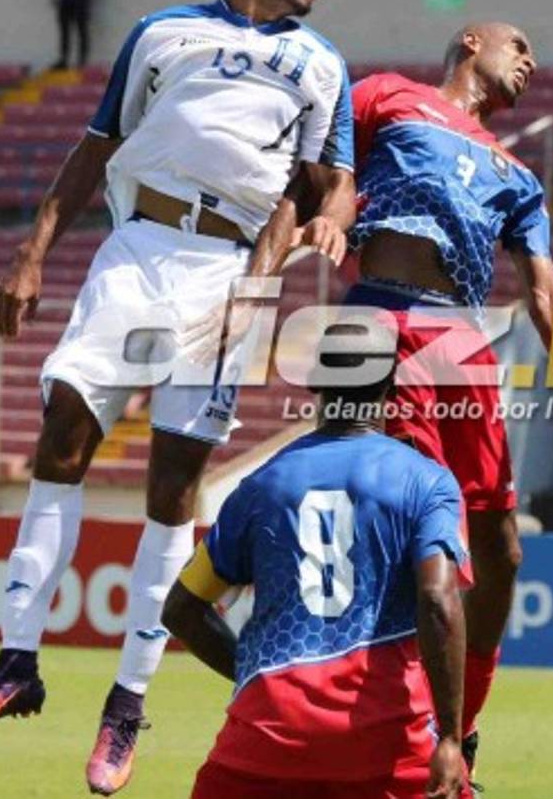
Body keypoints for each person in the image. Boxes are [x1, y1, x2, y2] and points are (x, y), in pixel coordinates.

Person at [0, 0, 355, 796]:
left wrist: (306, 244)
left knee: (171, 491)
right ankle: (16, 664)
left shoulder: (321, 66)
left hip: (226, 274)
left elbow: (329, 184)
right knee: (61, 436)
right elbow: (95, 149)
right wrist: (32, 252)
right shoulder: (160, 35)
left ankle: (126, 707)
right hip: (135, 253)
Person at [345, 23, 553, 783]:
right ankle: (399, 736)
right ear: (471, 42)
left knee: (501, 553)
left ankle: (462, 733)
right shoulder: (388, 96)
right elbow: (320, 167)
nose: (532, 61)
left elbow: (544, 292)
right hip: (381, 321)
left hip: (461, 343)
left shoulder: (518, 176)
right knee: (416, 539)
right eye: (520, 45)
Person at [162, 319, 472, 799]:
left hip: (266, 737)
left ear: (315, 384)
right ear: (391, 387)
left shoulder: (260, 487)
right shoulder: (427, 482)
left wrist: (253, 673)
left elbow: (180, 609)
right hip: (387, 742)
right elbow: (437, 598)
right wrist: (451, 737)